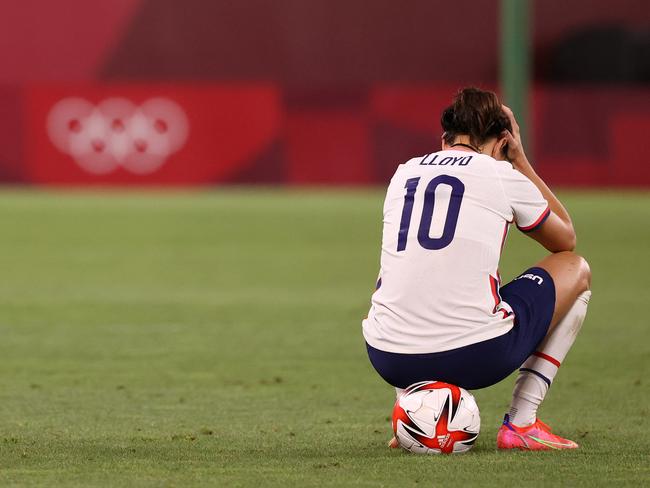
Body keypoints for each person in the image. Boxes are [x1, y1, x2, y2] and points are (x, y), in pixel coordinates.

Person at [362, 87, 591, 451]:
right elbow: (565, 239)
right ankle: (522, 423)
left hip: (387, 356)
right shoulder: (500, 173)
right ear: (502, 142)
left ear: (444, 139)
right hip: (477, 355)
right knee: (576, 269)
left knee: (402, 277)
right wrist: (520, 161)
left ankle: (408, 414)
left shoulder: (403, 173)